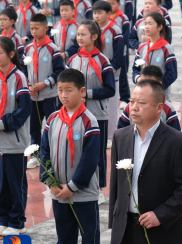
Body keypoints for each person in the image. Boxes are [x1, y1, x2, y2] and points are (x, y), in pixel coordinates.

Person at [109, 79, 182, 244]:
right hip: (126, 232)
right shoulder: (120, 136)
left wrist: (161, 214)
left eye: (141, 103)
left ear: (159, 107)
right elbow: (117, 186)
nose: (133, 108)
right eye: (132, 102)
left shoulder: (177, 141)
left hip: (160, 233)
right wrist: (115, 223)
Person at [40, 69, 101, 244]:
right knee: (64, 242)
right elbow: (44, 153)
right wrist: (51, 183)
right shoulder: (52, 119)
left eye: (69, 90)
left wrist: (72, 186)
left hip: (84, 194)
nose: (64, 95)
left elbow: (90, 160)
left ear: (82, 91)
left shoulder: (88, 121)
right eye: (60, 90)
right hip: (59, 194)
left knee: (89, 243)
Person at [66, 19, 115, 204]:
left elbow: (110, 89)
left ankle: (100, 187)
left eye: (83, 34)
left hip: (97, 114)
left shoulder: (103, 61)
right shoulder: (73, 60)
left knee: (98, 152)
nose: (79, 37)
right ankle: (78, 183)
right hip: (76, 114)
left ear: (94, 37)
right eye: (78, 34)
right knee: (78, 150)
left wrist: (89, 94)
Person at [21, 14, 64, 169]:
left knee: (52, 124)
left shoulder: (52, 49)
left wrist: (45, 83)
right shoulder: (28, 49)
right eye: (31, 28)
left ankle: (53, 153)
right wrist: (29, 86)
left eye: (36, 28)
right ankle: (36, 155)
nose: (33, 31)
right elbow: (24, 71)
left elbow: (60, 70)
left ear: (46, 28)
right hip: (33, 96)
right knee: (34, 127)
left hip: (49, 95)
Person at [0, 37, 31, 236]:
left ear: (11, 55)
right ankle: (3, 219)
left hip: (14, 142)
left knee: (15, 184)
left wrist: (3, 123)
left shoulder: (19, 77)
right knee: (1, 185)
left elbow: (24, 110)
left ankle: (17, 221)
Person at [92, 1, 124, 151]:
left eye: (100, 13)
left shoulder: (115, 30)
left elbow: (118, 55)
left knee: (111, 105)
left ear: (108, 13)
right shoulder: (92, 30)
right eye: (94, 13)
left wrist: (108, 68)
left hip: (111, 73)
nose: (96, 16)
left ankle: (111, 136)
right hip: (93, 73)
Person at [118, 65, 181, 131]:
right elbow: (121, 134)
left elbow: (176, 136)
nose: (134, 108)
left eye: (149, 84)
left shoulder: (168, 109)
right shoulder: (129, 107)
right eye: (141, 83)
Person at [132, 12, 177, 101]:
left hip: (160, 95)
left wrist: (157, 86)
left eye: (150, 23)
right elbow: (135, 69)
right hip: (142, 93)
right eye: (145, 24)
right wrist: (138, 79)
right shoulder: (142, 47)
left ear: (160, 27)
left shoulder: (166, 48)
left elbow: (172, 74)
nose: (147, 26)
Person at [108, 0, 131, 110]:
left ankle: (125, 98)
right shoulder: (105, 17)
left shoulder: (123, 18)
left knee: (122, 75)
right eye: (109, 3)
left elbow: (125, 36)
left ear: (119, 4)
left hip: (120, 51)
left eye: (113, 3)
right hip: (107, 51)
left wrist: (117, 46)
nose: (111, 6)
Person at [51, 0, 79, 65]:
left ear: (73, 11)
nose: (63, 13)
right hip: (58, 59)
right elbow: (50, 40)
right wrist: (55, 48)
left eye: (66, 10)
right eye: (62, 10)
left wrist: (66, 53)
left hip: (72, 60)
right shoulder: (55, 26)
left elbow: (78, 44)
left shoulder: (77, 27)